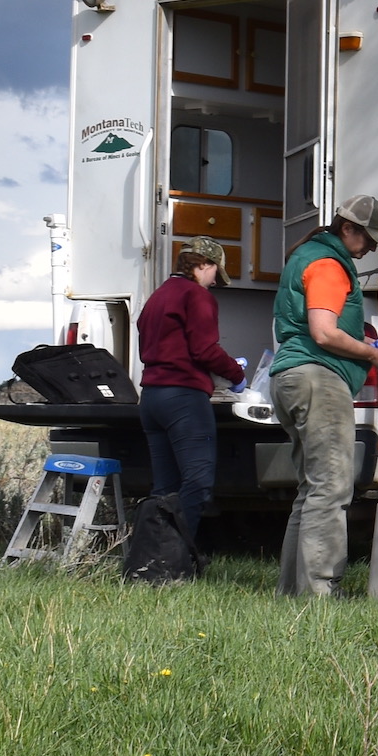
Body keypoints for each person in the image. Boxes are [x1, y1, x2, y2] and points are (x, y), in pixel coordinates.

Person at [267, 195, 378, 597]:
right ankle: (321, 591)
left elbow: (316, 324)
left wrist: (357, 340)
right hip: (318, 379)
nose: (373, 249)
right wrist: (373, 354)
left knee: (311, 488)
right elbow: (324, 332)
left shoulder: (308, 255)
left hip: (291, 376)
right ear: (348, 230)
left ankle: (293, 591)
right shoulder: (328, 264)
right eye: (370, 239)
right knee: (332, 487)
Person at [134, 236, 247, 559]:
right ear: (204, 265)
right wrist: (236, 375)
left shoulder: (157, 297)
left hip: (152, 397)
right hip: (183, 397)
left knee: (164, 487)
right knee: (197, 482)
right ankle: (178, 558)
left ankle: (151, 560)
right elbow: (204, 349)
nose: (214, 282)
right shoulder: (196, 296)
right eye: (215, 273)